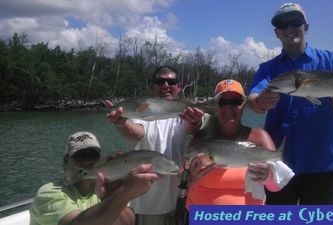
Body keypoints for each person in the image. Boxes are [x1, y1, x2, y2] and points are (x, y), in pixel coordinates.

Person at [247, 3, 333, 205]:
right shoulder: (268, 69)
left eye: (295, 22)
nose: (289, 28)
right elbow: (254, 102)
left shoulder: (331, 60)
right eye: (283, 25)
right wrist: (260, 102)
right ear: (277, 33)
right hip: (279, 163)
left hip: (324, 161)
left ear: (306, 27)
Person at [104, 66, 203, 225]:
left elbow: (190, 129)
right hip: (148, 207)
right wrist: (120, 124)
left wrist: (195, 122)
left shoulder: (188, 114)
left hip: (184, 204)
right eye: (160, 81)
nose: (165, 85)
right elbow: (134, 131)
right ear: (152, 87)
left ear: (179, 86)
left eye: (171, 81)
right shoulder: (142, 114)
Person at [29, 131, 159, 225]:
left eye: (93, 155)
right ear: (66, 161)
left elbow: (128, 222)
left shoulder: (103, 189)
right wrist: (125, 193)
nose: (88, 162)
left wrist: (112, 195)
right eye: (81, 156)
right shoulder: (49, 193)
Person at [185, 79, 277, 209]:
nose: (229, 107)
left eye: (235, 102)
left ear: (243, 105)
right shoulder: (201, 139)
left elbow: (277, 185)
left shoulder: (260, 137)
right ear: (215, 106)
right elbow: (183, 177)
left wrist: (269, 176)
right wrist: (192, 178)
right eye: (223, 102)